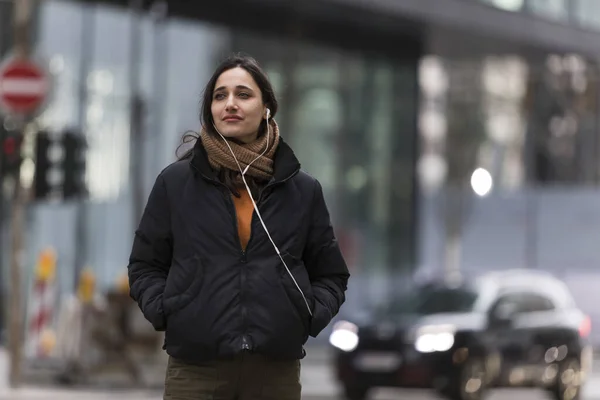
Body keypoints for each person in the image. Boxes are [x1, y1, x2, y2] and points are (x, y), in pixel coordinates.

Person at [127, 53, 350, 400]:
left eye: (243, 94)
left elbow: (331, 274)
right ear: (210, 110)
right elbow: (145, 265)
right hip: (195, 369)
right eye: (220, 95)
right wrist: (168, 311)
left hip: (275, 371)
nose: (230, 104)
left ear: (266, 108)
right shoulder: (175, 183)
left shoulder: (302, 190)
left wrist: (306, 316)